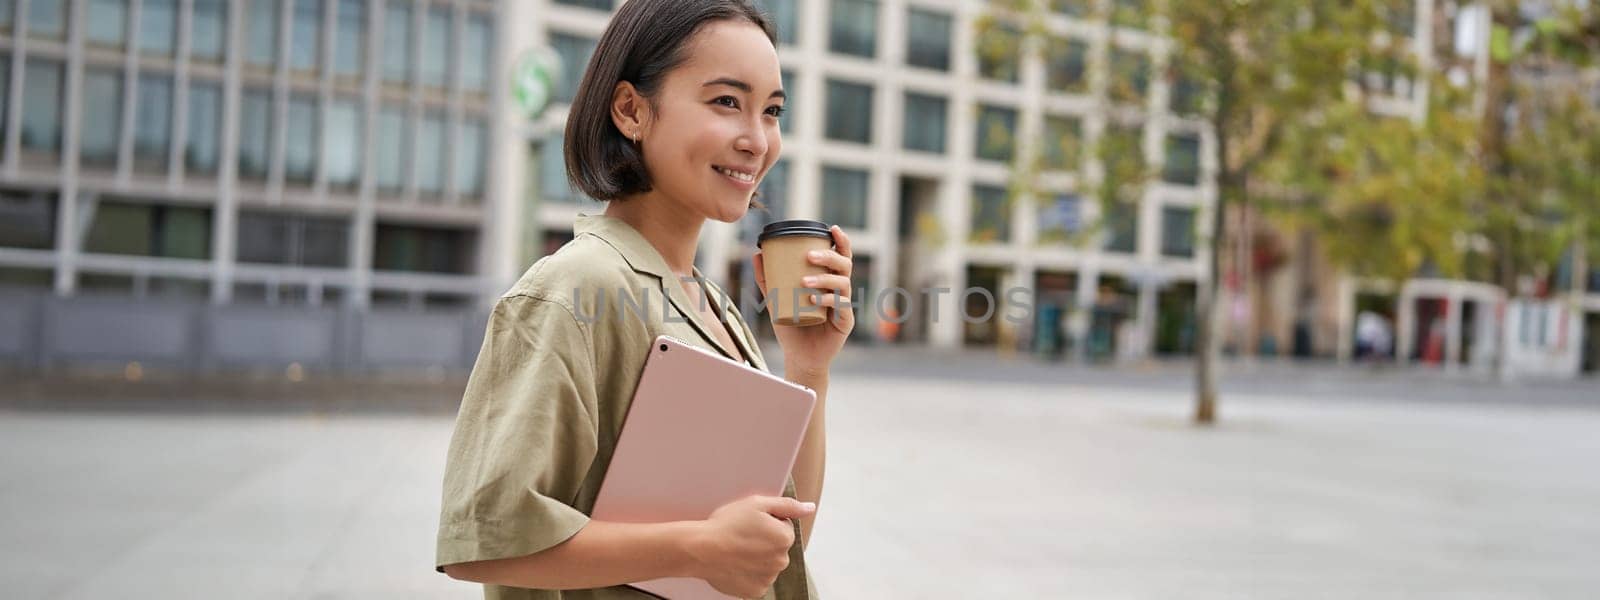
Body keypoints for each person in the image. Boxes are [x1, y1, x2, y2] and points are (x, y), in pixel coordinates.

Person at [433, 2, 854, 599]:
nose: (757, 140)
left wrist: (810, 368)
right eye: (726, 102)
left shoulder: (713, 306)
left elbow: (773, 554)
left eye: (773, 111)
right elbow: (487, 539)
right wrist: (695, 547)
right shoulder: (577, 287)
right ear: (631, 109)